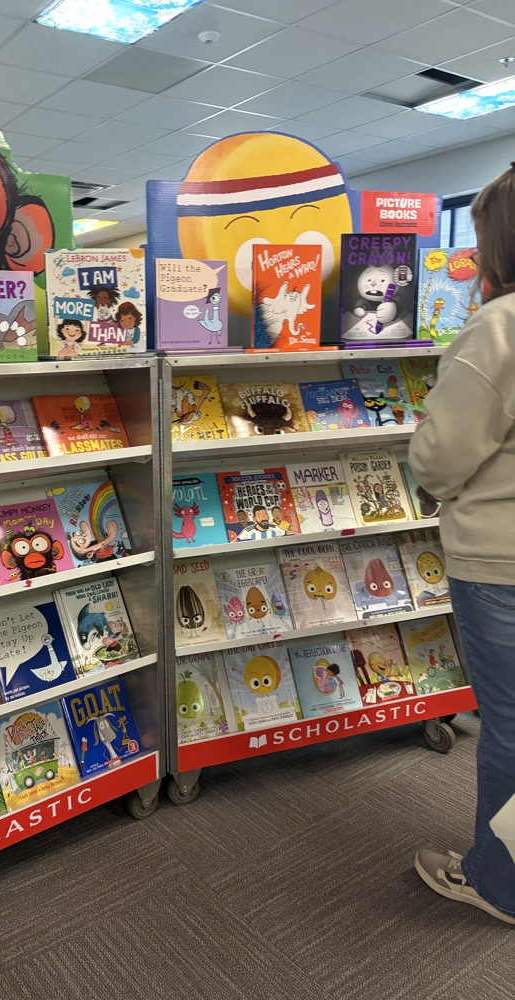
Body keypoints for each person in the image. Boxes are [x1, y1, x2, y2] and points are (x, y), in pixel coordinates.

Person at [409, 163, 515, 926]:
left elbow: (443, 456)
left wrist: (425, 474)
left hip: (502, 558)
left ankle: (498, 882)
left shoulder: (498, 327)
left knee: (508, 724)